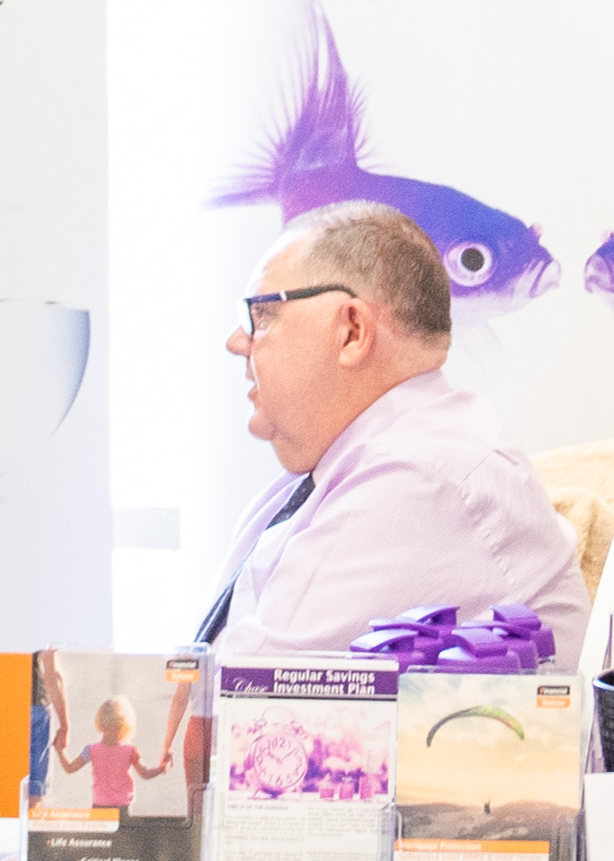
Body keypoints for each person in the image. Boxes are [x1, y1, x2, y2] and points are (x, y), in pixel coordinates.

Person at [199, 201, 587, 658]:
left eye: (263, 315)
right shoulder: (328, 475)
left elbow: (252, 684)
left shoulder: (418, 478)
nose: (236, 341)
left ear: (352, 331)